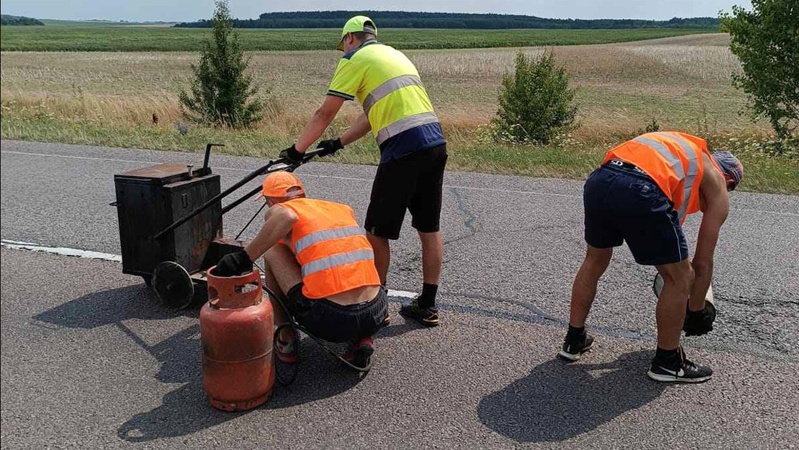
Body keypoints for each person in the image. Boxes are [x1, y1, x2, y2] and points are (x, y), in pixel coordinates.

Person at [278, 15, 448, 327]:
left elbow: (325, 111)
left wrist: (297, 150)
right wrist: (337, 143)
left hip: (403, 149)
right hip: (435, 144)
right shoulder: (394, 55)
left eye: (343, 45)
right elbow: (372, 116)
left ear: (350, 39)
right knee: (428, 228)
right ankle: (428, 303)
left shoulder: (354, 59)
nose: (343, 50)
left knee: (377, 230)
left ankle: (376, 306)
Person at [558, 131, 744, 383]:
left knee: (595, 260)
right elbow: (701, 263)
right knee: (680, 278)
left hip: (602, 178)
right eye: (730, 188)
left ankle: (574, 340)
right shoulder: (715, 181)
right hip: (642, 187)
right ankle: (667, 363)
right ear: (728, 179)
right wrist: (697, 310)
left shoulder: (681, 162)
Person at [214, 171, 389, 369]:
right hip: (376, 311)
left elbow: (287, 216)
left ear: (270, 200)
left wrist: (242, 259)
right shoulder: (339, 209)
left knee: (272, 250)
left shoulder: (282, 209)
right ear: (302, 194)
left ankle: (286, 337)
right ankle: (362, 338)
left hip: (333, 319)